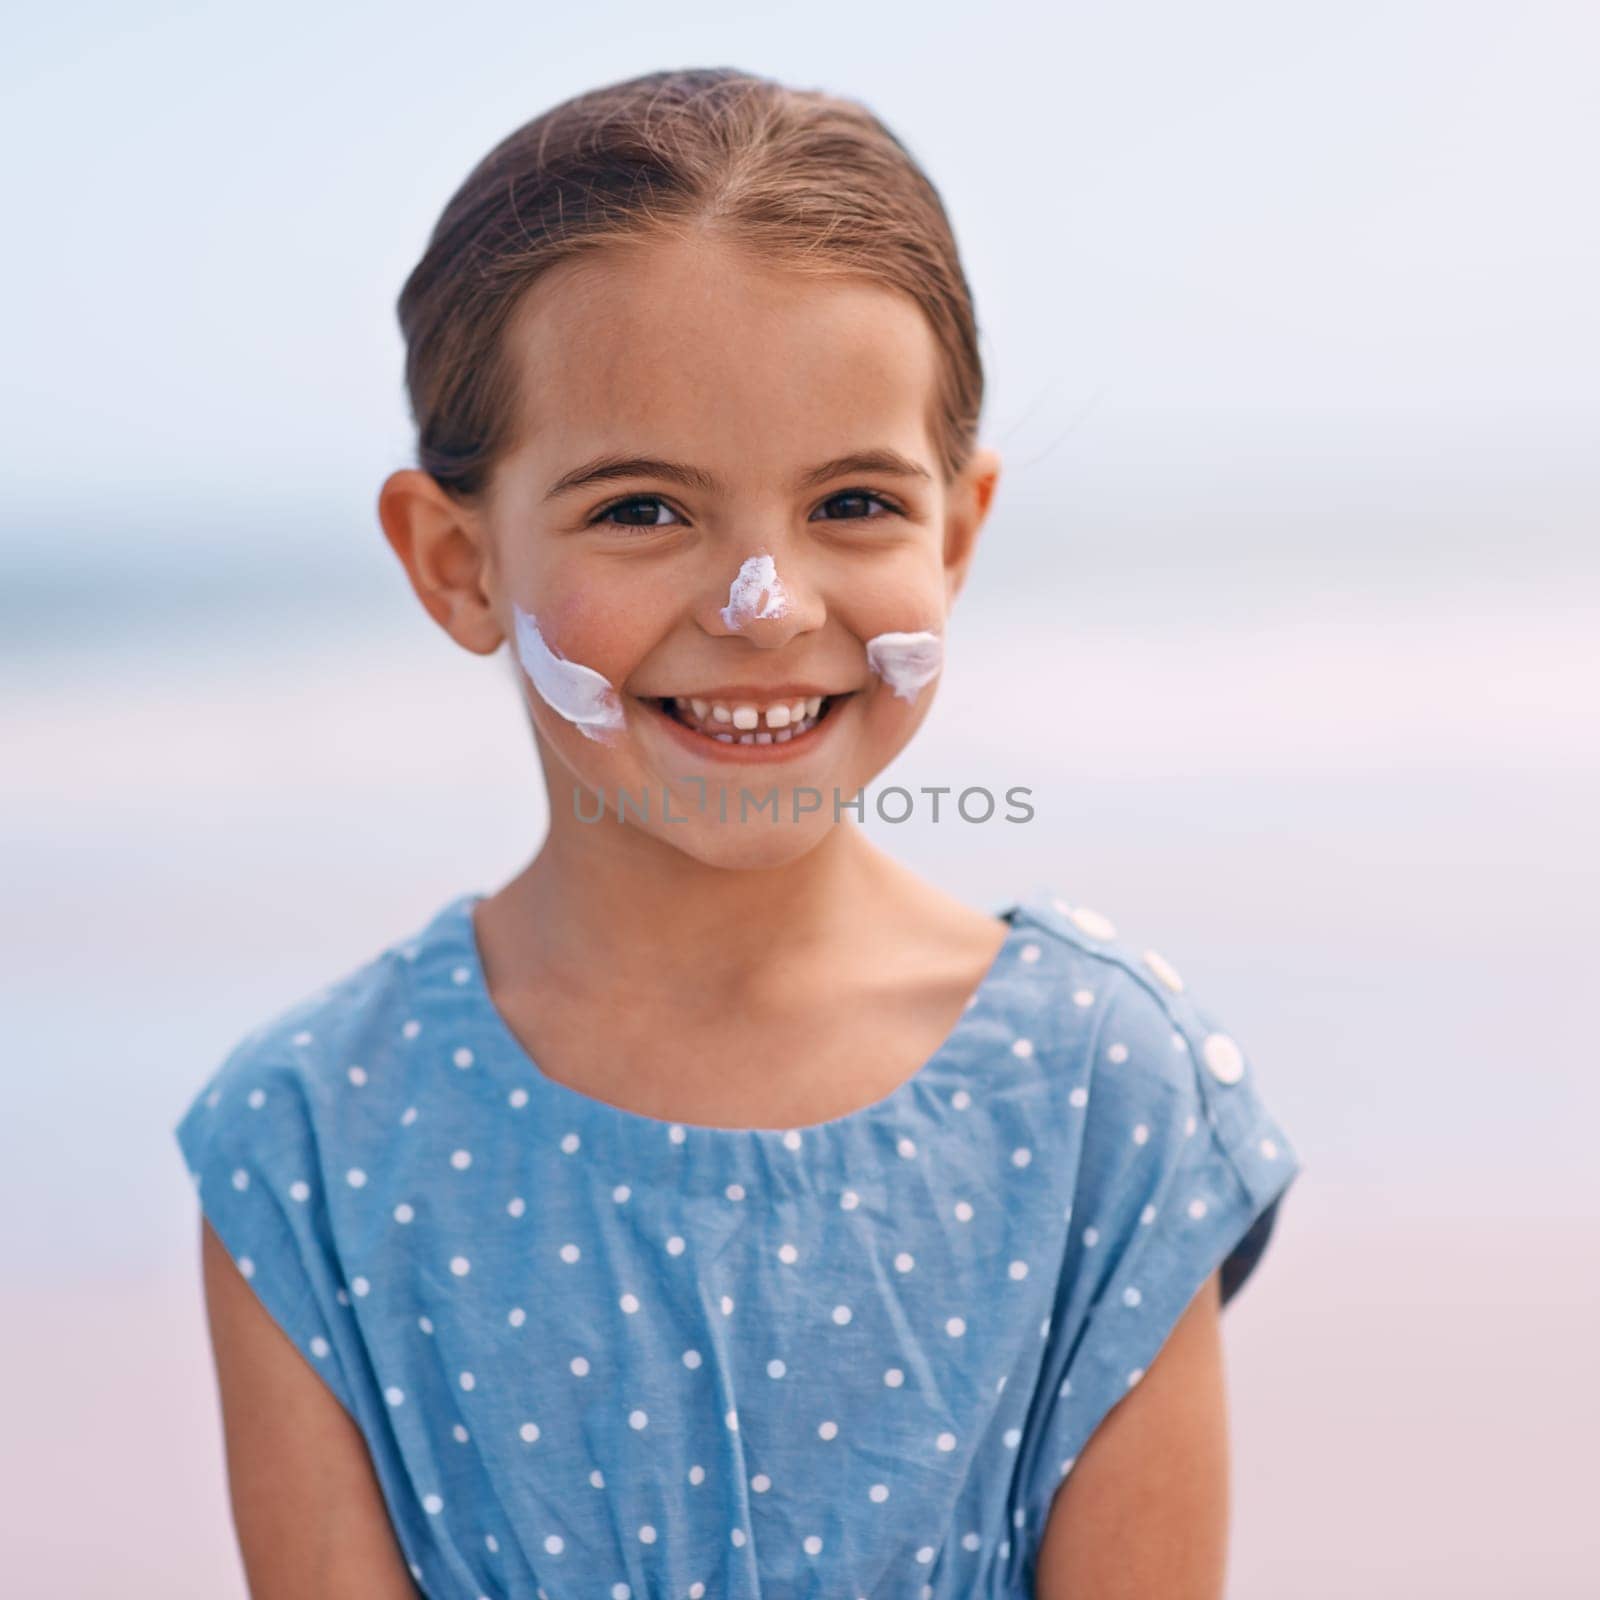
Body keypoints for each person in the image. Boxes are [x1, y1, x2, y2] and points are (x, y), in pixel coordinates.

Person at [173, 65, 1303, 1600]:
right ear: (456, 563)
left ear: (957, 536)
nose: (762, 605)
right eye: (642, 510)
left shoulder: (1103, 1094)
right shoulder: (312, 1141)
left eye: (852, 503)